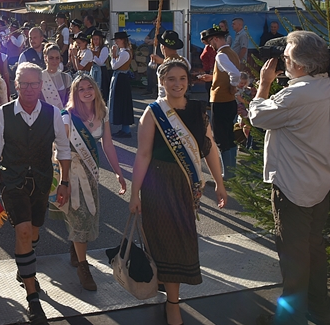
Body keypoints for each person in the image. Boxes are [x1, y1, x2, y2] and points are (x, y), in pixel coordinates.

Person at [248, 31, 330, 325]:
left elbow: (258, 116)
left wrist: (264, 84)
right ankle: (320, 314)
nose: (282, 61)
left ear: (301, 66)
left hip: (293, 188)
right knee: (314, 253)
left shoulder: (296, 96)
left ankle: (291, 321)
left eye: (286, 57)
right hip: (320, 183)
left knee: (294, 261)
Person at [130, 59, 226, 325]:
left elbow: (209, 147)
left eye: (182, 78)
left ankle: (171, 295)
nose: (177, 84)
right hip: (157, 184)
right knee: (162, 240)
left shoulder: (198, 110)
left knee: (182, 240)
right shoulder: (153, 113)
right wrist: (134, 194)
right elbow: (143, 154)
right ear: (162, 81)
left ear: (188, 81)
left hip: (185, 185)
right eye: (171, 79)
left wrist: (219, 182)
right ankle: (173, 302)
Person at [0, 63, 72, 325]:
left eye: (34, 84)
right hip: (13, 181)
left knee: (33, 232)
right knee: (22, 231)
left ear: (41, 85)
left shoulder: (53, 113)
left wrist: (65, 181)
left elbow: (63, 149)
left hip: (42, 181)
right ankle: (33, 298)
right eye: (24, 84)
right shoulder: (2, 114)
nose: (29, 89)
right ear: (16, 84)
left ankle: (24, 268)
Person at [60, 75, 127, 290]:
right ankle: (83, 267)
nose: (87, 91)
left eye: (90, 87)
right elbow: (61, 149)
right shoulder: (68, 116)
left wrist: (118, 172)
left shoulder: (102, 113)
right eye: (81, 89)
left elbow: (108, 145)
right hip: (72, 172)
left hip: (91, 172)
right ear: (75, 93)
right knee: (80, 216)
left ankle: (75, 247)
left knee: (87, 215)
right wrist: (63, 180)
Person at [196, 25, 241, 177]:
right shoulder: (231, 52)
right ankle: (232, 172)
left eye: (210, 43)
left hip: (221, 100)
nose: (210, 46)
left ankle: (227, 175)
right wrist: (213, 77)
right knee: (229, 136)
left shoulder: (221, 55)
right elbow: (228, 74)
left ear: (215, 39)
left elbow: (235, 74)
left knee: (222, 138)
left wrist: (233, 87)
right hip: (229, 101)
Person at [41, 43, 71, 109]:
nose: (54, 61)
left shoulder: (66, 78)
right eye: (51, 58)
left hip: (62, 113)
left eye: (57, 58)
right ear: (45, 58)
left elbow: (70, 99)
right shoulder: (40, 77)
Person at [89, 30, 110, 96]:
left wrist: (93, 55)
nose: (95, 41)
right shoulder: (92, 48)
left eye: (97, 39)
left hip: (101, 71)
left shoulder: (104, 48)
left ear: (100, 39)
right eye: (94, 39)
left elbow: (100, 62)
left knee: (102, 90)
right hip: (93, 69)